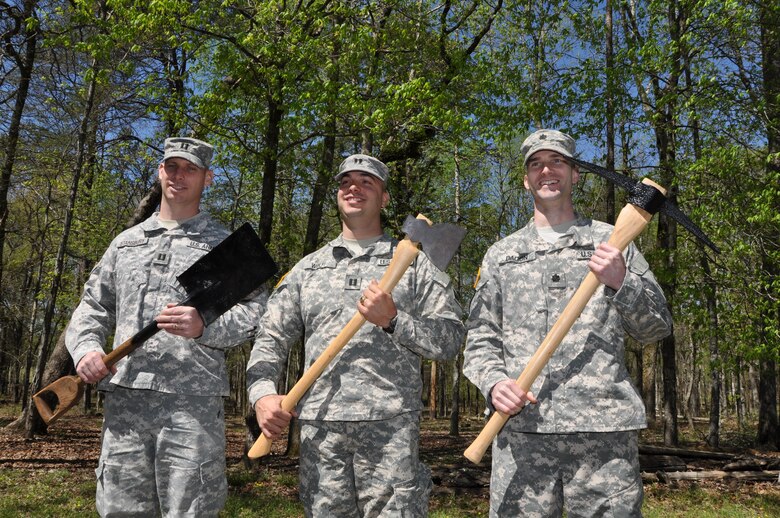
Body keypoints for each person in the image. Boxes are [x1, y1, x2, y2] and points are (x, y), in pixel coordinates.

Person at [463, 129, 673, 517]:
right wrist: (495, 384)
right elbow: (479, 339)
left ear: (576, 174)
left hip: (602, 438)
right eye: (536, 164)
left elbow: (656, 327)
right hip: (523, 434)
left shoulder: (614, 241)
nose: (547, 170)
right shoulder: (501, 255)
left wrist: (621, 281)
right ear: (526, 180)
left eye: (557, 161)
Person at [247, 153, 464, 517]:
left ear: (384, 198)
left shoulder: (414, 266)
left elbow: (452, 338)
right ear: (337, 194)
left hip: (390, 430)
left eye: (367, 182)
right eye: (346, 181)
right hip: (321, 432)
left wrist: (395, 320)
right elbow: (270, 338)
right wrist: (262, 395)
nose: (354, 188)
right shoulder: (308, 269)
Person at [66, 137, 265, 517]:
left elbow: (258, 312)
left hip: (192, 404)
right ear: (160, 172)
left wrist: (204, 325)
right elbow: (92, 306)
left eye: (191, 169)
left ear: (208, 178)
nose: (179, 175)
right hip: (126, 401)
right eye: (171, 166)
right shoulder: (125, 244)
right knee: (121, 510)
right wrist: (87, 350)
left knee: (190, 509)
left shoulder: (225, 246)